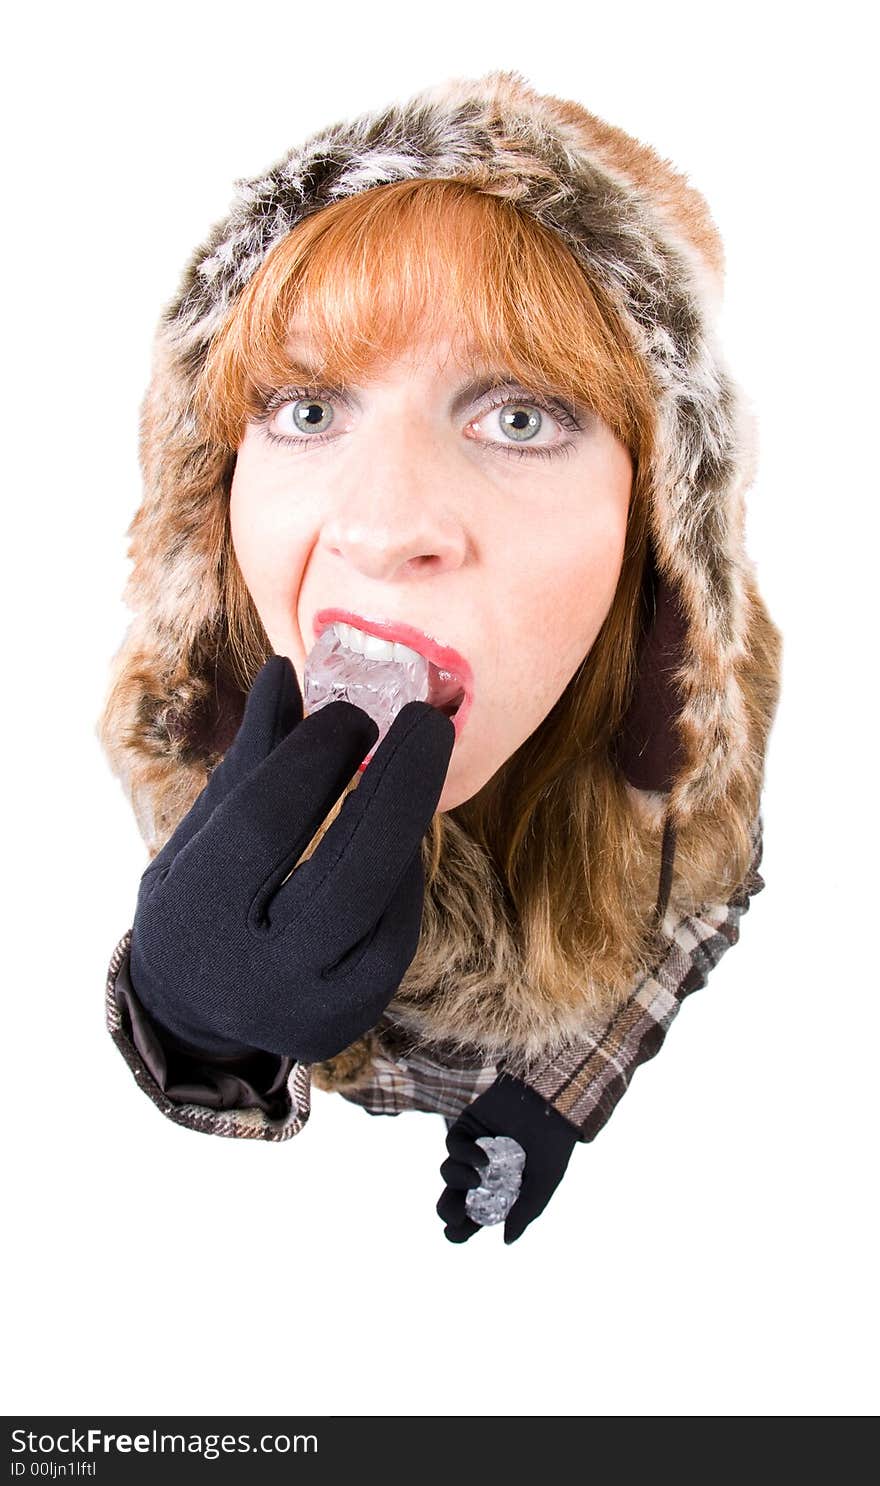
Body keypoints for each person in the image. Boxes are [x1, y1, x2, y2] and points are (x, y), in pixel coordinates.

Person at [97, 69, 782, 1244]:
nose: (379, 526)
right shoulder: (194, 738)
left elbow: (702, 909)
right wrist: (191, 1029)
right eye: (307, 408)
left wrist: (559, 1096)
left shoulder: (692, 760)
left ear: (656, 537)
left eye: (521, 415)